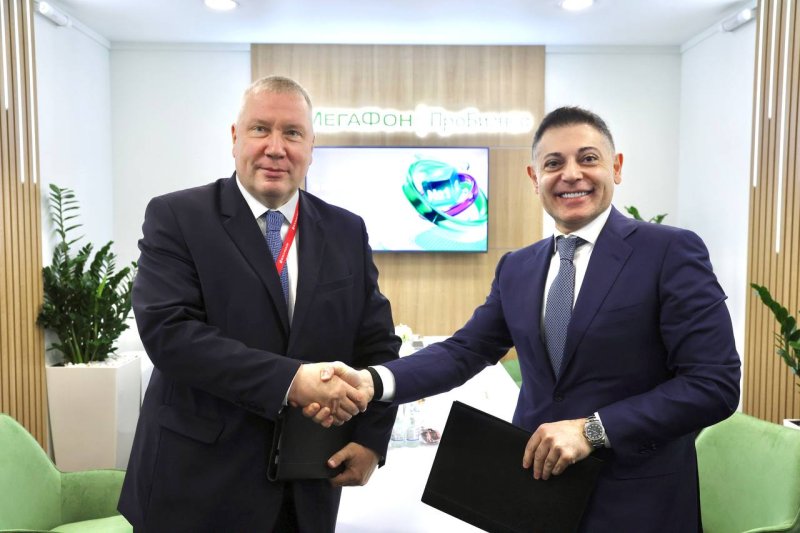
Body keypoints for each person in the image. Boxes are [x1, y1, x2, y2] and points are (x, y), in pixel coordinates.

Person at [316, 106, 741, 532]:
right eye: (553, 163)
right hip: (535, 499)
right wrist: (372, 382)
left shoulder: (668, 252)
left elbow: (714, 383)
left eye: (588, 158)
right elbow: (465, 350)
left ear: (616, 167)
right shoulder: (518, 267)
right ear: (534, 178)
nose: (571, 174)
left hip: (637, 505)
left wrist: (592, 431)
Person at [118, 75, 400, 532]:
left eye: (292, 133)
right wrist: (292, 381)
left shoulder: (346, 231)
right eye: (260, 129)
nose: (275, 148)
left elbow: (379, 346)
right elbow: (170, 335)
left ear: (311, 146)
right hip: (193, 491)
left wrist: (372, 440)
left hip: (305, 491)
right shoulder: (178, 217)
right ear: (235, 137)